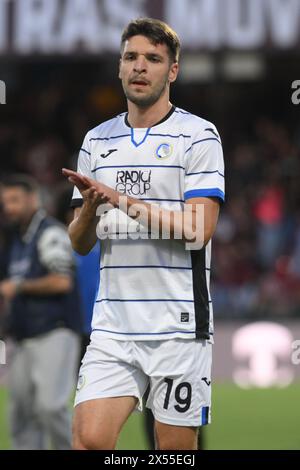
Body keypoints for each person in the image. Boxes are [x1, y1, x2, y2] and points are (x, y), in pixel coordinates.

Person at [63, 17, 224, 450]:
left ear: (172, 71)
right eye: (131, 57)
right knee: (89, 442)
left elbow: (199, 228)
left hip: (178, 327)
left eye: (153, 59)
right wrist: (90, 213)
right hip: (113, 327)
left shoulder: (199, 136)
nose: (140, 67)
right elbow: (78, 244)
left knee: (172, 451)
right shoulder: (96, 141)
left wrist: (121, 200)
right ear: (119, 66)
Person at [0, 175, 82, 450]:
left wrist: (20, 286)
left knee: (50, 406)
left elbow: (63, 281)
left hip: (54, 330)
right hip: (24, 336)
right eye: (5, 202)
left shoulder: (50, 233)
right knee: (21, 412)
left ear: (33, 199)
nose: (9, 207)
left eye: (15, 200)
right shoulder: (16, 238)